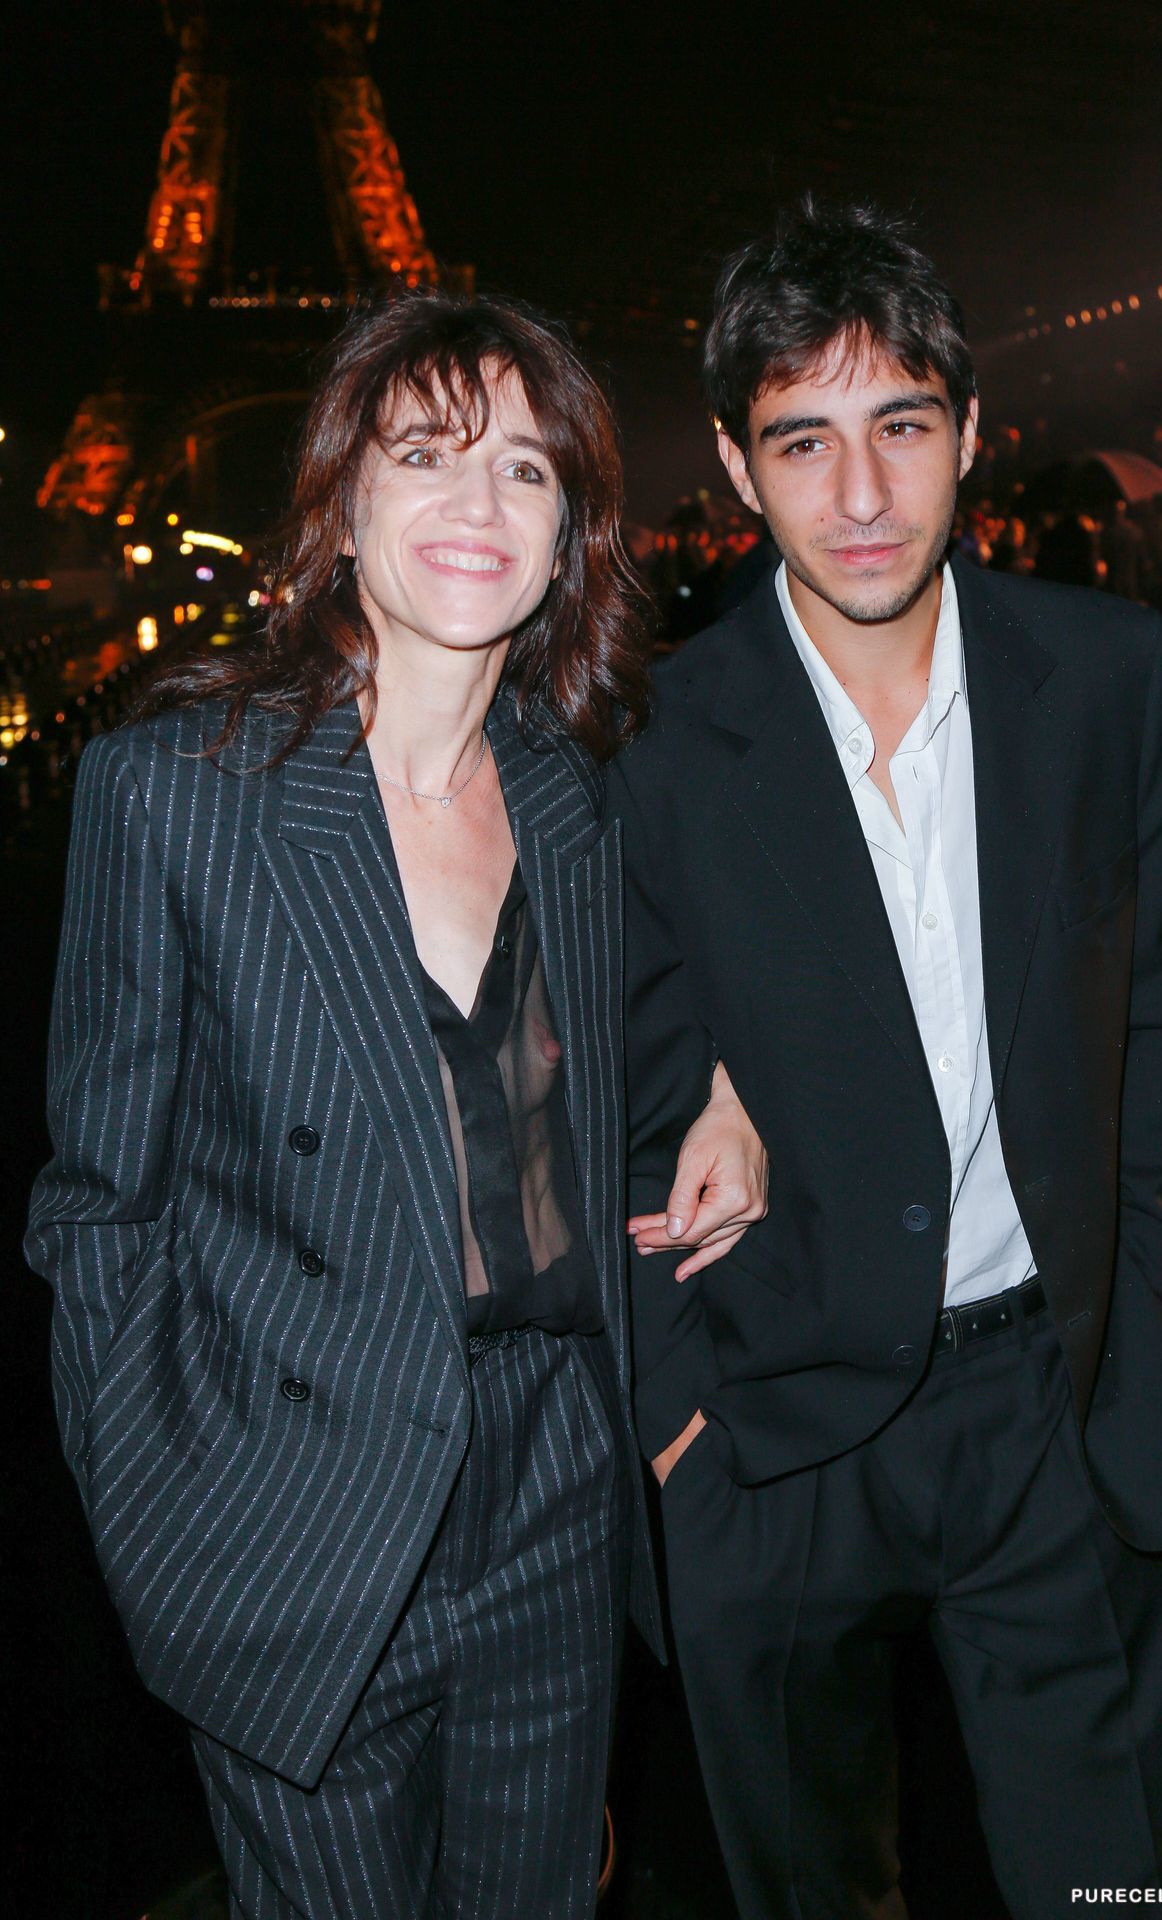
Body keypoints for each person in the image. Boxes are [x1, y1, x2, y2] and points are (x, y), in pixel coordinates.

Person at [25, 289, 766, 1920]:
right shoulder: (179, 792)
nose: (477, 501)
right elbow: (98, 1214)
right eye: (426, 453)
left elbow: (669, 1016)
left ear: (567, 536)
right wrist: (164, 1533)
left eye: (525, 467)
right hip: (297, 1509)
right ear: (340, 502)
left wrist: (731, 1091)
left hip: (556, 1485)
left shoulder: (580, 796)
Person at [614, 201, 1162, 1919]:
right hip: (771, 1433)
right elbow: (606, 1102)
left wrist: (1150, 1335)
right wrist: (680, 1433)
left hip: (1058, 1408)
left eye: (900, 426)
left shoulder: (1105, 676)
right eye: (803, 441)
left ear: (969, 428)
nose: (863, 493)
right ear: (737, 470)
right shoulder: (651, 747)